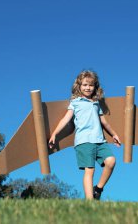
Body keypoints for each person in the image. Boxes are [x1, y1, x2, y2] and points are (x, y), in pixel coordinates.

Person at [48, 70, 121, 200]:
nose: (88, 88)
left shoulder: (95, 103)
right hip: (84, 141)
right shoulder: (75, 103)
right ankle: (89, 200)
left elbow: (104, 122)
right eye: (85, 85)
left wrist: (114, 134)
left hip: (100, 141)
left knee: (111, 161)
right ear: (79, 86)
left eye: (91, 85)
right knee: (90, 170)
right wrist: (54, 134)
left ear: (95, 87)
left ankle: (98, 189)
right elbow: (65, 119)